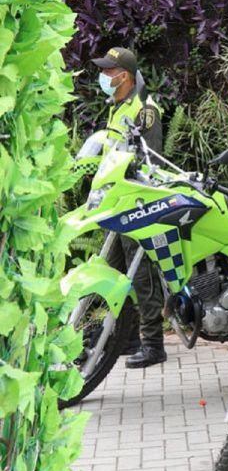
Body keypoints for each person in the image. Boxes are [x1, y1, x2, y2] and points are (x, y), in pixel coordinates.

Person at [91, 47, 167, 369]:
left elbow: (150, 160)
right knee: (113, 269)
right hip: (115, 200)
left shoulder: (144, 110)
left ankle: (153, 343)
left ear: (124, 75)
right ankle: (128, 337)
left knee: (142, 275)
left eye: (109, 71)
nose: (104, 76)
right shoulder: (117, 106)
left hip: (135, 201)